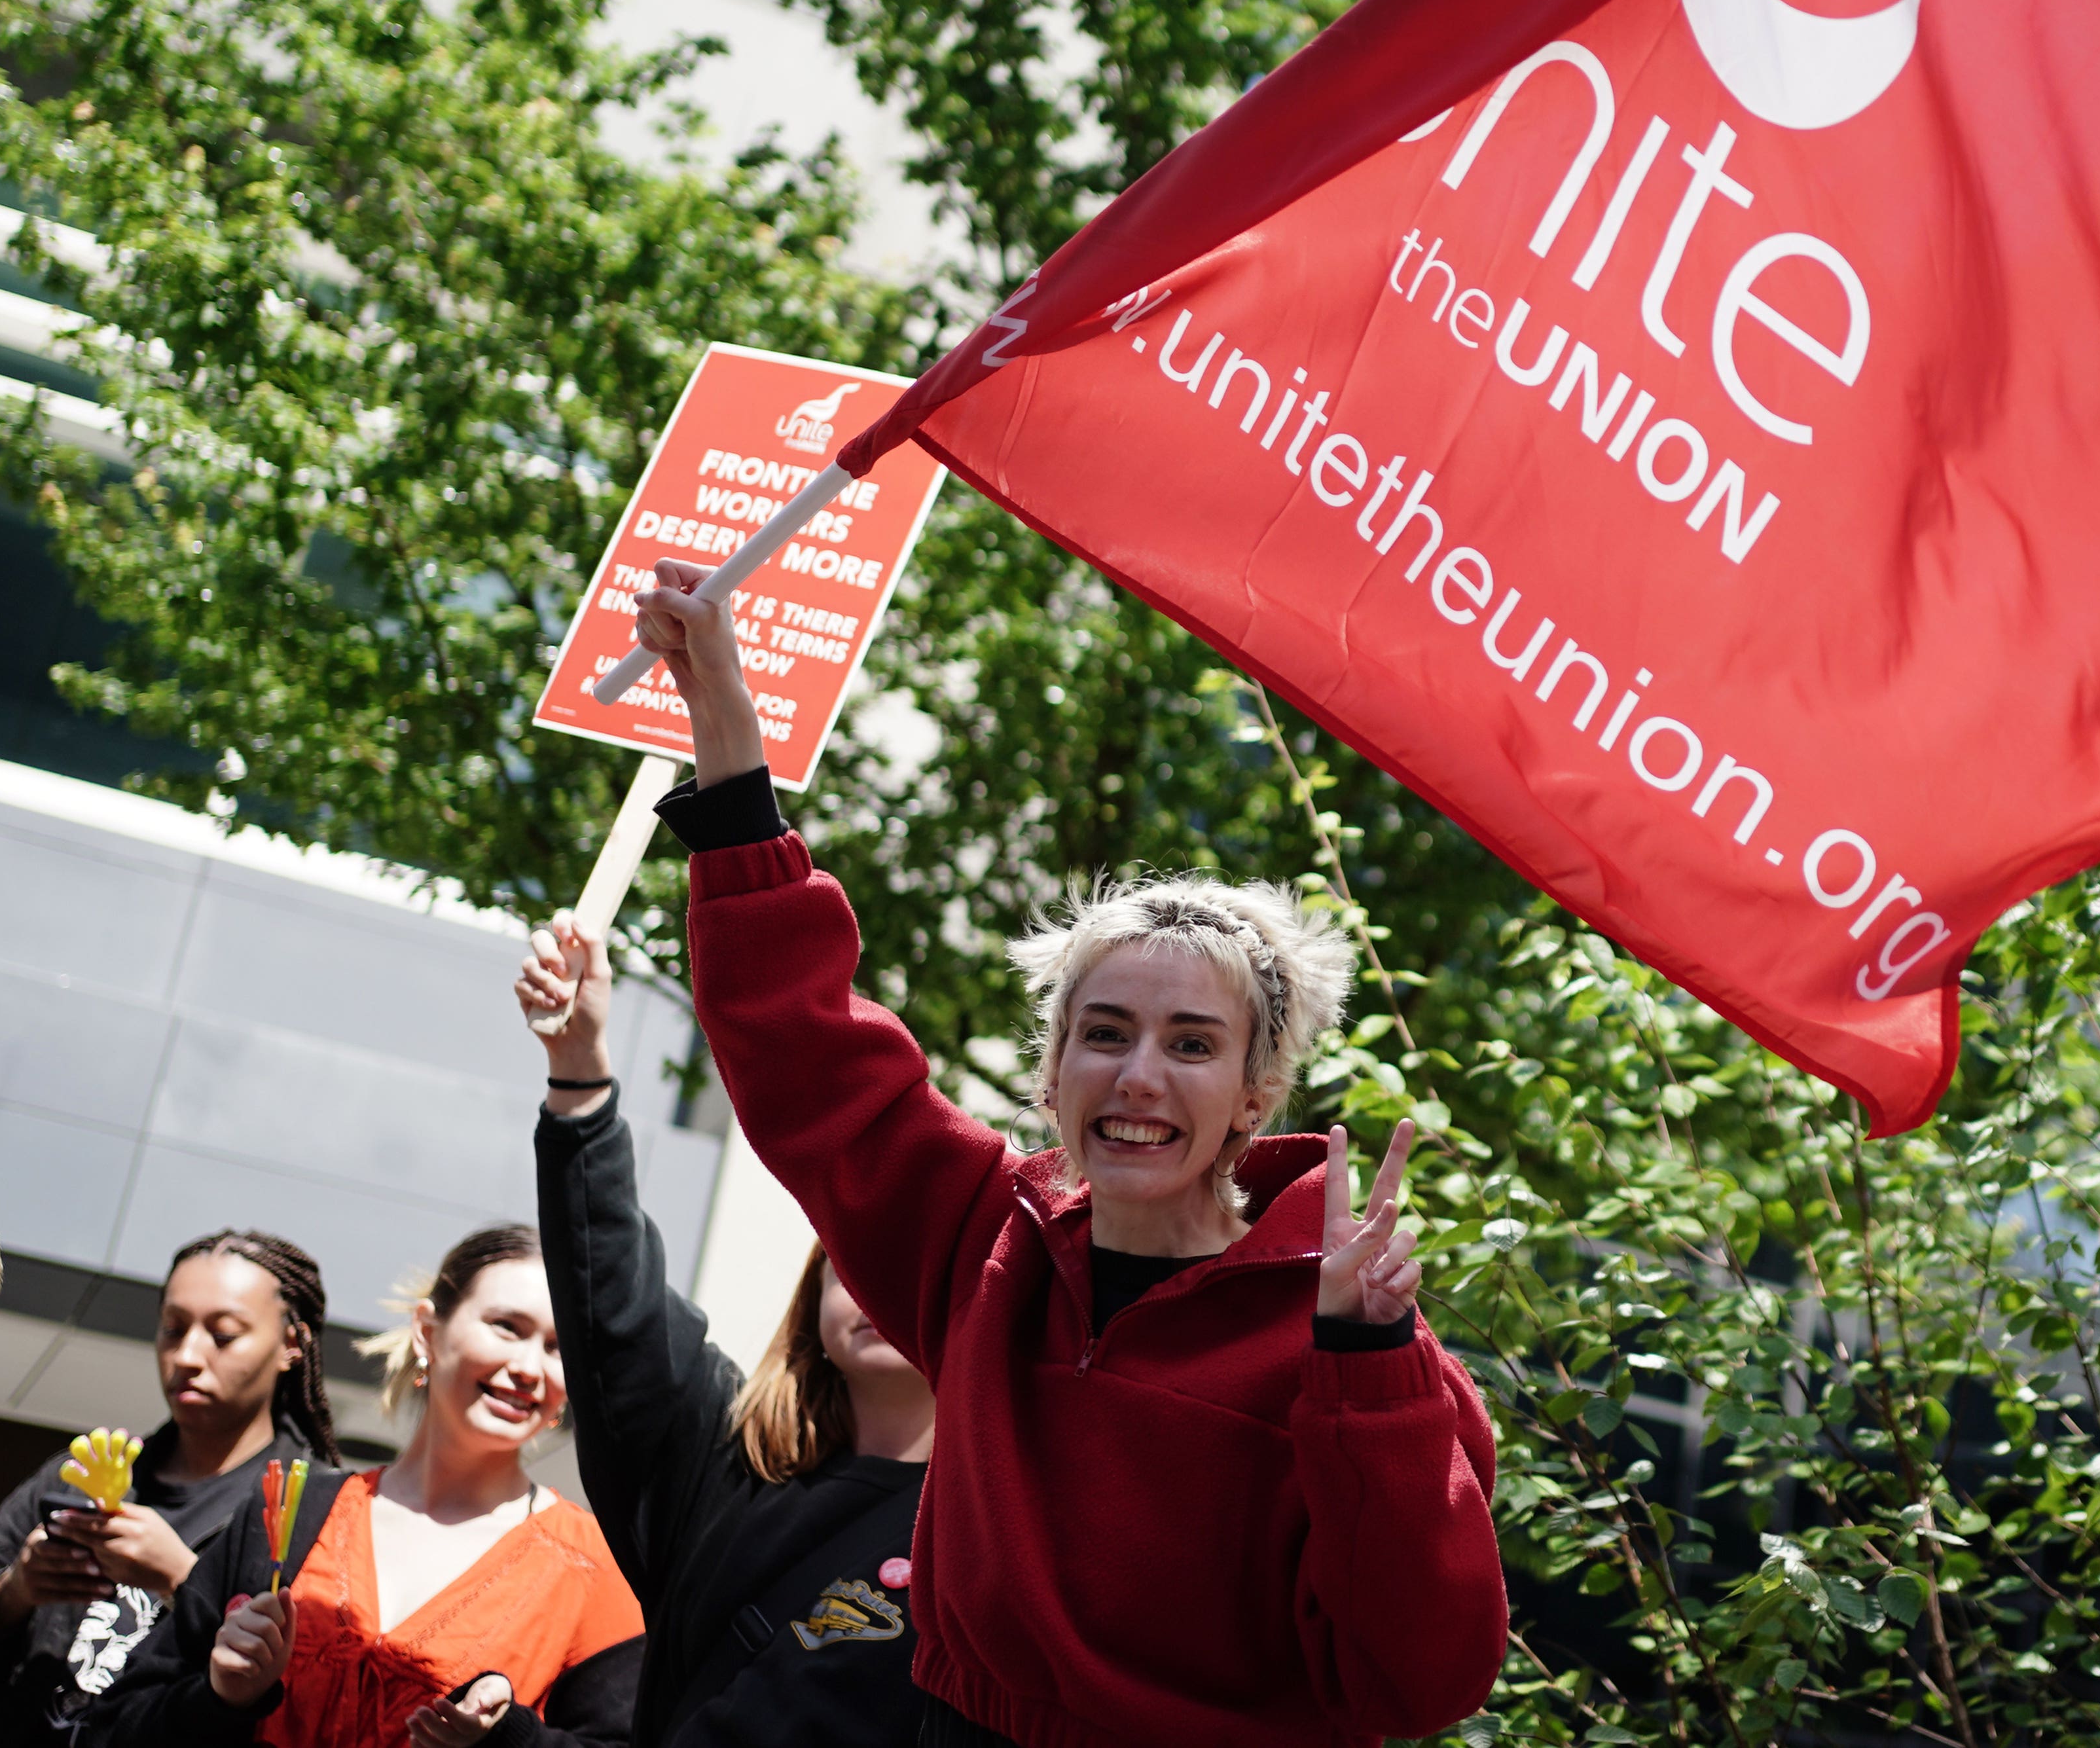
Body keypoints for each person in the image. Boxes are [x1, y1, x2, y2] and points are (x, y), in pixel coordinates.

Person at [625, 556, 1509, 1748]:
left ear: (1255, 1098)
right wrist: (731, 746)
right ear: (1053, 1077)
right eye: (1106, 1034)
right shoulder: (985, 1240)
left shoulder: (1355, 1342)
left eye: (1192, 1045)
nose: (1139, 1074)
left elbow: (1424, 1678)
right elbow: (805, 1057)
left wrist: (1369, 1367)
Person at [518, 912, 934, 1747]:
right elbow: (616, 1305)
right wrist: (579, 1076)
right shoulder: (721, 1452)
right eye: (850, 1263)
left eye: (910, 1263)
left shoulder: (1004, 1522)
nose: (875, 1288)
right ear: (810, 1297)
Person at [97, 1224, 643, 1747]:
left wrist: (507, 1741)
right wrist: (220, 1697)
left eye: (558, 1346)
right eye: (507, 1327)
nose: (528, 1366)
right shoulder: (289, 1512)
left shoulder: (597, 1569)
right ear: (427, 1331)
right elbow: (115, 1724)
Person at [0, 1229, 344, 1743]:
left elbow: (308, 1700)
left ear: (291, 1345)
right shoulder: (83, 1473)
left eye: (224, 1334)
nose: (188, 1356)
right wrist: (14, 1593)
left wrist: (182, 1580)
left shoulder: (312, 1510)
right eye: (173, 1329)